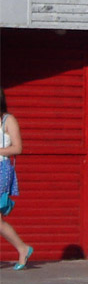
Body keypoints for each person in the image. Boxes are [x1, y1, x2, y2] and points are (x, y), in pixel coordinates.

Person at [0, 88, 32, 270]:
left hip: (1, 170)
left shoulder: (8, 120)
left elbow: (17, 148)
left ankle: (22, 248)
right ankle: (22, 248)